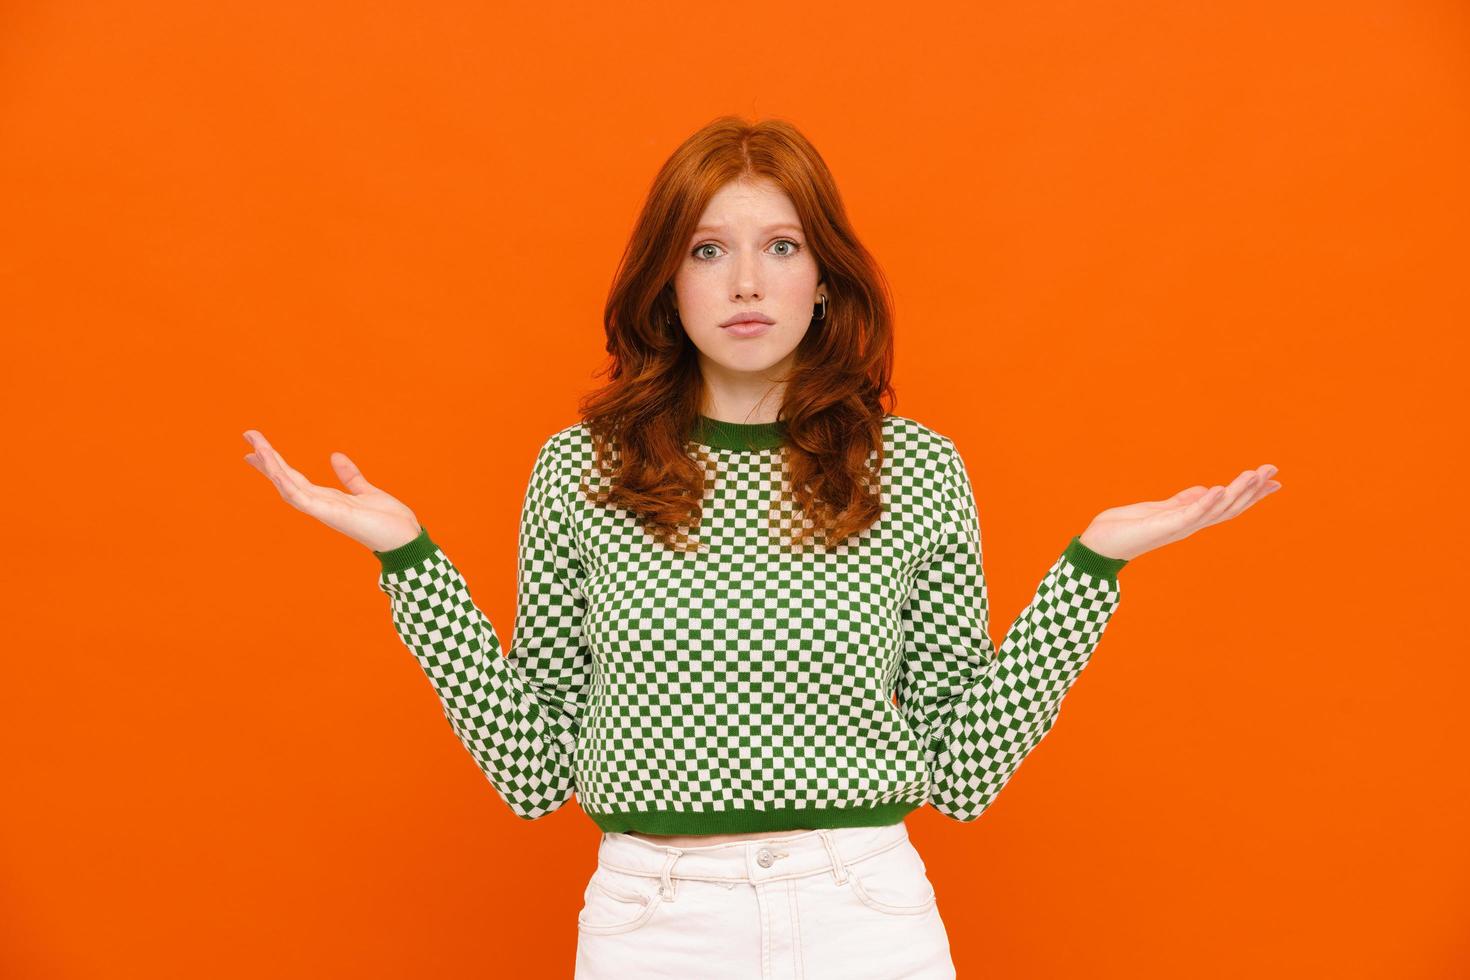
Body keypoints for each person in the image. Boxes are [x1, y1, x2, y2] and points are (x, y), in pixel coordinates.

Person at [241, 115, 1281, 979]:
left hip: (864, 912)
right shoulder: (581, 468)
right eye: (708, 247)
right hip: (655, 922)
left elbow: (962, 768)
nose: (746, 280)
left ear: (823, 278)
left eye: (780, 246)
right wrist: (410, 559)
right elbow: (530, 768)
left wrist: (1092, 565)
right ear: (667, 280)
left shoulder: (912, 468)